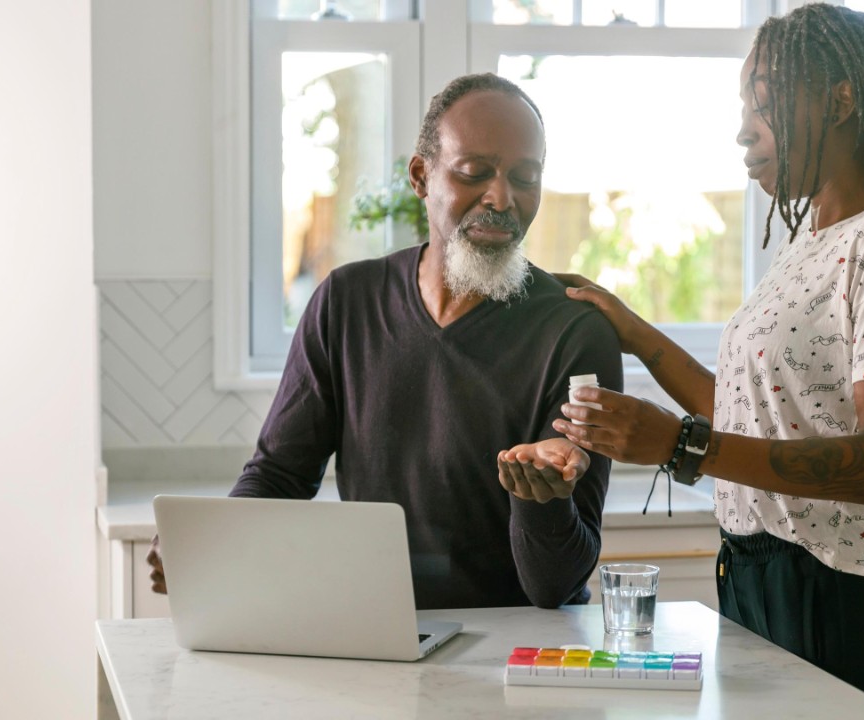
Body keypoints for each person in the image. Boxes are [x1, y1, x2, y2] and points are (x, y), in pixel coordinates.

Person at [551, 5, 864, 719]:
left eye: (764, 102)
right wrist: (636, 333)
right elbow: (759, 411)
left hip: (844, 594)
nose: (744, 128)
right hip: (759, 573)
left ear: (840, 99)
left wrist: (681, 446)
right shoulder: (812, 238)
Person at [147, 73, 623, 611]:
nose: (502, 197)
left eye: (524, 176)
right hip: (383, 630)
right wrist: (214, 542)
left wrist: (542, 500)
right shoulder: (346, 302)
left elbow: (554, 587)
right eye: (474, 172)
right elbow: (281, 474)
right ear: (421, 177)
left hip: (525, 649)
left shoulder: (574, 332)